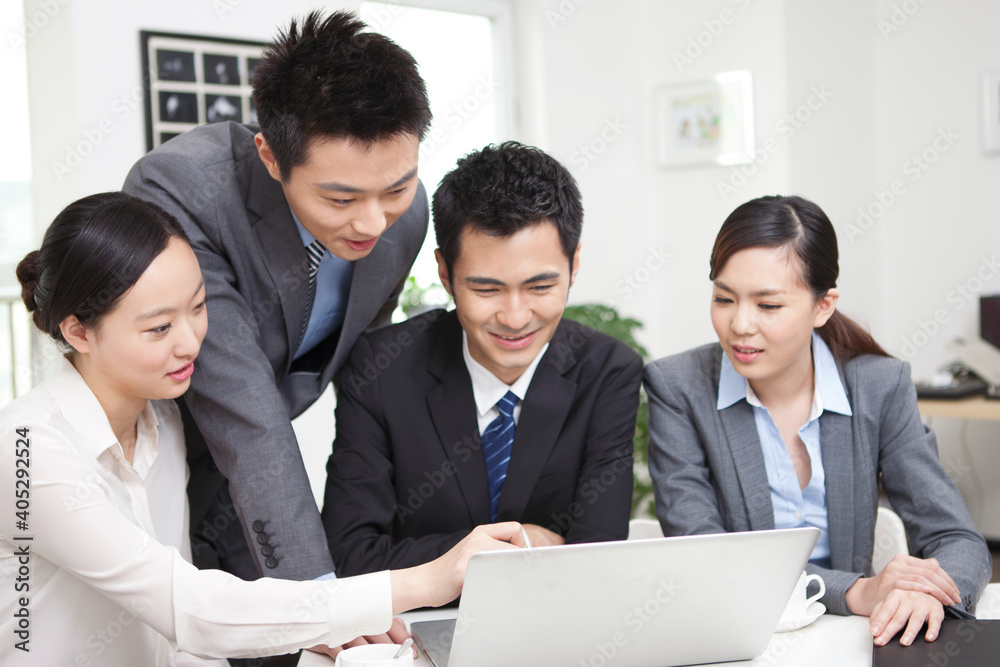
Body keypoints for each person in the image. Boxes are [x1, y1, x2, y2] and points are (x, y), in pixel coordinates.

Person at [0, 193, 525, 666]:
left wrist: (313, 629)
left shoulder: (163, 420)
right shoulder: (27, 450)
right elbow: (192, 609)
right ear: (77, 331)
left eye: (199, 307)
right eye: (159, 327)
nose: (190, 342)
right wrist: (429, 580)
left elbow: (177, 642)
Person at [122, 10, 430, 584]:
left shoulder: (407, 214)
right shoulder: (185, 188)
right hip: (162, 459)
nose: (373, 222)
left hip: (262, 475)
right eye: (340, 199)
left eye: (395, 187)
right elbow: (245, 413)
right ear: (270, 157)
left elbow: (366, 368)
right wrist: (323, 599)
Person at [644, 195, 991, 648]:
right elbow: (711, 555)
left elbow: (957, 537)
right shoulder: (678, 387)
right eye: (723, 298)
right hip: (738, 635)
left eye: (768, 306)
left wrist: (934, 595)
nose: (740, 325)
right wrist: (856, 590)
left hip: (849, 639)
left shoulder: (879, 386)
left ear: (823, 305)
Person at [322, 142, 642, 581]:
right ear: (445, 274)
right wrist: (519, 545)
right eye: (487, 290)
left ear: (574, 264)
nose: (514, 318)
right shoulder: (379, 370)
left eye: (539, 287)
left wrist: (430, 561)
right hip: (416, 632)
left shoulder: (608, 371)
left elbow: (597, 563)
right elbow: (351, 557)